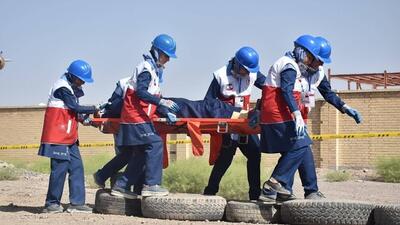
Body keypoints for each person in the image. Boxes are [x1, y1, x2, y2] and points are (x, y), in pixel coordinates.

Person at [258, 35, 362, 201]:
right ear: (305, 54)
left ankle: (300, 191)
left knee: (302, 149)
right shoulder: (289, 65)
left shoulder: (315, 72)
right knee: (301, 145)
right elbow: (286, 91)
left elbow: (328, 93)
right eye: (318, 59)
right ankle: (273, 184)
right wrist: (297, 114)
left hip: (291, 116)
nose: (321, 64)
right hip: (277, 115)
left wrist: (344, 107)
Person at [110, 34, 180, 199]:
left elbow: (149, 96)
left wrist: (163, 109)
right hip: (135, 117)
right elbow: (141, 92)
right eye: (166, 56)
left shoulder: (153, 70)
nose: (168, 60)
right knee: (155, 144)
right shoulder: (146, 68)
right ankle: (151, 185)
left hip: (139, 117)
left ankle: (122, 186)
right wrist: (162, 101)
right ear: (157, 52)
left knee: (141, 153)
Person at [38, 60, 103, 213]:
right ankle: (51, 203)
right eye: (82, 79)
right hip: (57, 136)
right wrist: (95, 108)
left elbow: (73, 111)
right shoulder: (62, 87)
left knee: (77, 167)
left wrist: (84, 119)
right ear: (73, 76)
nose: (83, 83)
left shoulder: (71, 89)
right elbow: (73, 107)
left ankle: (77, 203)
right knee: (60, 169)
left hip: (69, 137)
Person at [203, 46, 266, 201]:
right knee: (225, 158)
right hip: (228, 126)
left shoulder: (253, 73)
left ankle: (255, 195)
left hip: (245, 124)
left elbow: (270, 89)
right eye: (245, 69)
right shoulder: (220, 76)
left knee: (255, 154)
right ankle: (210, 192)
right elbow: (208, 103)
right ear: (237, 64)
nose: (248, 73)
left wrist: (259, 108)